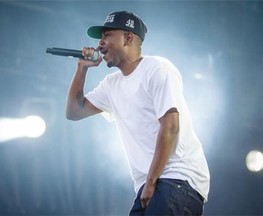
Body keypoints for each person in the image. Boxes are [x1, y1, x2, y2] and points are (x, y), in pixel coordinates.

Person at [66, 11, 210, 216]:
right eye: (100, 37)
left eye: (107, 35)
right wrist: (82, 68)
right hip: (150, 185)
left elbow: (170, 126)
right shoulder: (111, 85)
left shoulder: (157, 68)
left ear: (128, 37)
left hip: (178, 180)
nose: (100, 43)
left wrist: (151, 182)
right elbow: (73, 112)